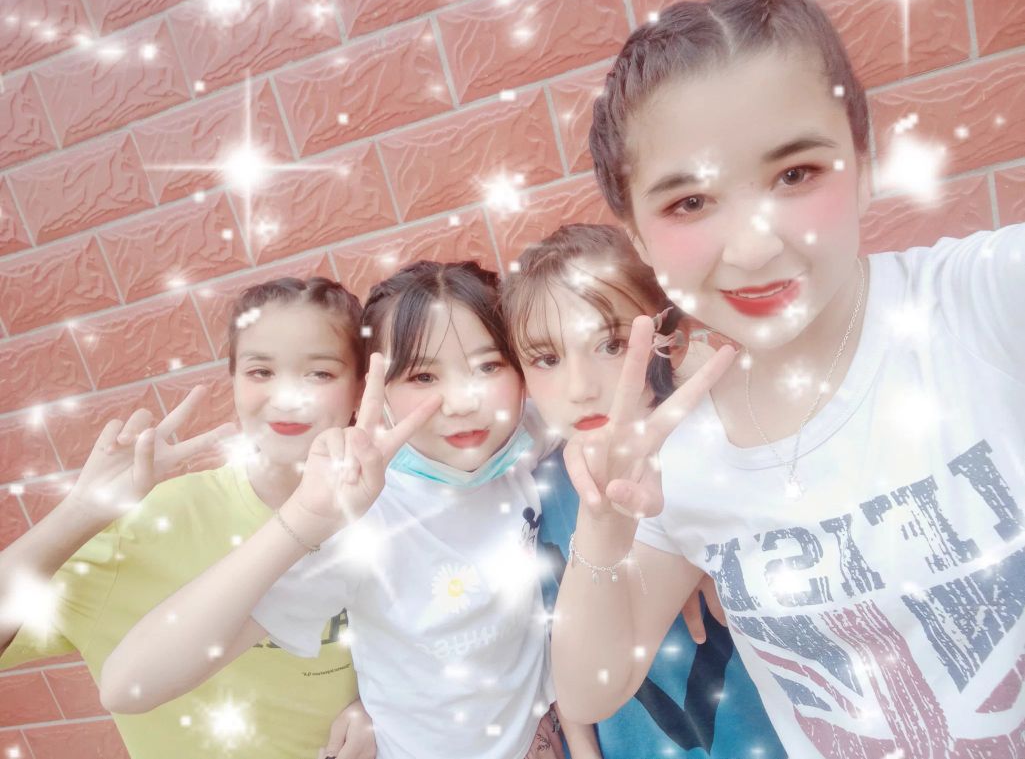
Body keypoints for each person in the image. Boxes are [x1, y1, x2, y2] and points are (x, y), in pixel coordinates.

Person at [550, 0, 1025, 757]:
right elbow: (589, 688)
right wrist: (603, 528)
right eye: (690, 201)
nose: (752, 247)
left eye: (796, 173)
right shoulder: (675, 452)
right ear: (636, 233)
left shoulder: (980, 307)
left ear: (863, 163)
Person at [98, 261, 576, 759]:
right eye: (422, 375)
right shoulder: (366, 523)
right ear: (376, 392)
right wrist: (305, 519)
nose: (461, 402)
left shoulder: (523, 438)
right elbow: (128, 686)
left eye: (488, 366)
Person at [0, 276, 375, 759]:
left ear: (359, 389)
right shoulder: (147, 525)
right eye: (260, 371)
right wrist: (81, 511)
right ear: (234, 381)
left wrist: (377, 706)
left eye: (320, 374)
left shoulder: (391, 514)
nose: (286, 397)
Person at [502, 223, 785, 759]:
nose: (580, 387)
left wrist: (702, 551)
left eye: (611, 345)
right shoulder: (535, 487)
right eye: (547, 358)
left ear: (670, 339)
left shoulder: (723, 454)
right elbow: (559, 640)